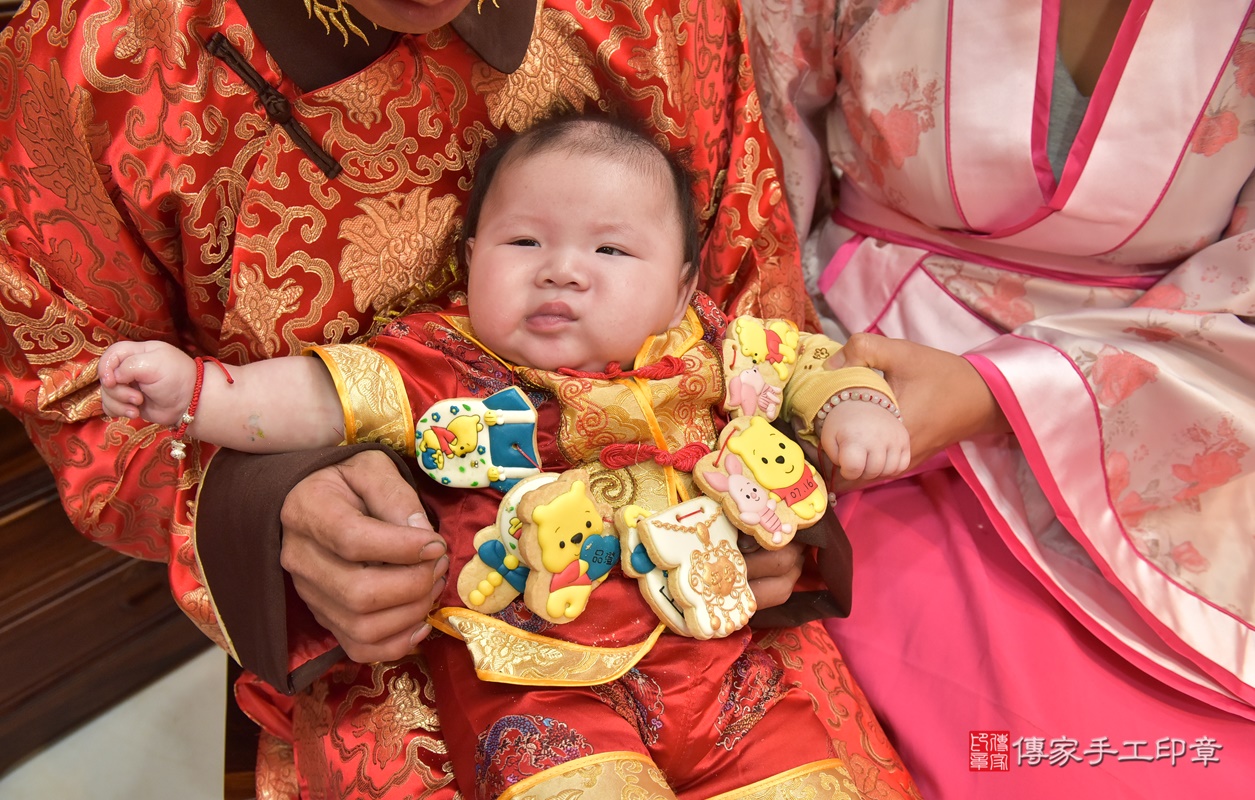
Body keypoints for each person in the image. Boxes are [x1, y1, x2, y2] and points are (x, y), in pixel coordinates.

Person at [0, 1, 920, 796]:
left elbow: (756, 307)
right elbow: (80, 383)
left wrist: (781, 504)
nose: (562, 275)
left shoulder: (666, 16)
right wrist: (264, 505)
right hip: (421, 643)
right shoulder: (97, 54)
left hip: (713, 616)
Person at [744, 0, 1255, 797]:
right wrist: (762, 424)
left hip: (1167, 411)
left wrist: (1003, 390)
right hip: (853, 378)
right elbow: (746, 179)